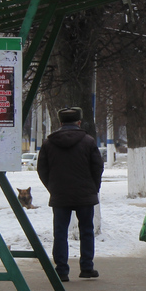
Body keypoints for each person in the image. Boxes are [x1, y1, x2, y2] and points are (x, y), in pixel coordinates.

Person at [36, 106, 104, 282]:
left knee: (60, 232)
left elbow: (42, 169)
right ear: (79, 122)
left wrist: (52, 187)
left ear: (60, 123)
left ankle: (61, 270)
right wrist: (93, 188)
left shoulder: (49, 143)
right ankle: (87, 267)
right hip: (85, 194)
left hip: (60, 195)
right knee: (87, 230)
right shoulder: (88, 141)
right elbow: (97, 167)